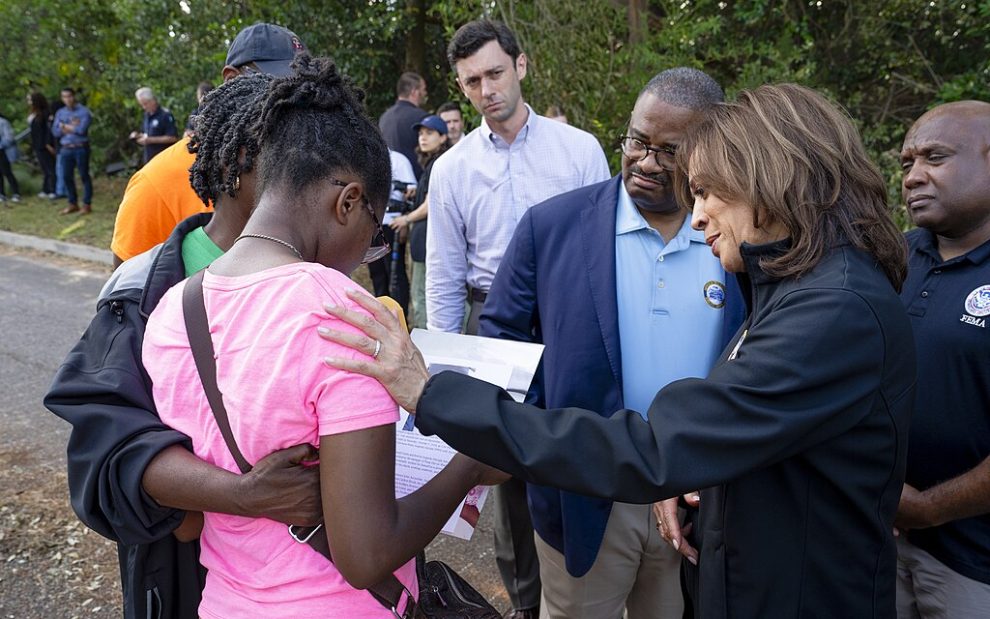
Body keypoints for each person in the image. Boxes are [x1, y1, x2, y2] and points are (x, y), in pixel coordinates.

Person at [321, 83, 917, 619]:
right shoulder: (798, 288)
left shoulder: (833, 310)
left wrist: (431, 393)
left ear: (769, 177)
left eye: (707, 191)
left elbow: (653, 447)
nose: (699, 214)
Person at [142, 54, 504, 618]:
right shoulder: (344, 315)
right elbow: (366, 556)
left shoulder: (173, 310)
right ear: (348, 202)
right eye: (372, 232)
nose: (364, 256)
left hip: (224, 603)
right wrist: (469, 466)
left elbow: (188, 522)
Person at [44, 29, 315, 619]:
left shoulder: (309, 222)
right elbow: (118, 392)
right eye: (272, 86)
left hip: (297, 569)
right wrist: (228, 495)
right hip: (183, 556)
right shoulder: (154, 193)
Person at [474, 67, 743, 619]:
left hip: (699, 496)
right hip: (583, 495)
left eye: (671, 152)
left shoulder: (739, 236)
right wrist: (542, 447)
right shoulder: (551, 228)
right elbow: (500, 342)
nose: (646, 162)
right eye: (638, 142)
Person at [425, 19, 610, 619]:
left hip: (570, 314)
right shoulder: (451, 169)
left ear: (522, 66)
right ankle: (527, 605)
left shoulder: (578, 149)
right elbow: (444, 275)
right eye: (472, 81)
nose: (485, 90)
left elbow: (606, 249)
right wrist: (445, 371)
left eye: (495, 74)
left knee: (577, 439)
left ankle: (593, 578)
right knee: (503, 466)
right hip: (492, 322)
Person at [895, 100, 990, 617]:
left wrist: (929, 509)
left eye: (935, 157)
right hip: (879, 543)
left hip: (973, 567)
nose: (913, 177)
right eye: (907, 163)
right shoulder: (892, 256)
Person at [109, 22, 306, 267]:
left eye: (306, 88)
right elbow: (127, 295)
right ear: (232, 79)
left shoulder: (308, 173)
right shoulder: (156, 183)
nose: (297, 101)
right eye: (281, 86)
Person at [390, 114, 452, 330]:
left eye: (430, 133)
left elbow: (430, 204)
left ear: (443, 137)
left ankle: (427, 349)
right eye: (421, 134)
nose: (423, 138)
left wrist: (405, 219)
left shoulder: (439, 164)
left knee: (422, 297)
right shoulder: (432, 165)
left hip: (429, 244)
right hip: (423, 243)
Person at [379, 71, 429, 178]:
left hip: (390, 183)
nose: (425, 93)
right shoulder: (421, 118)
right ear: (414, 92)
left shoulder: (384, 118)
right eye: (423, 89)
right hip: (416, 183)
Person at [52, 87, 93, 215]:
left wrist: (64, 126)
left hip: (80, 147)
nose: (67, 99)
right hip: (66, 148)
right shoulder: (60, 112)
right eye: (64, 97)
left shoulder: (84, 111)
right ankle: (72, 203)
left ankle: (86, 204)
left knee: (84, 175)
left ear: (74, 96)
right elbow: (55, 131)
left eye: (69, 96)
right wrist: (71, 126)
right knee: (66, 176)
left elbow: (81, 130)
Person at [132, 87, 179, 164]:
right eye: (142, 105)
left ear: (153, 100)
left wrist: (150, 140)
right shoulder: (147, 115)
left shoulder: (165, 115)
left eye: (145, 104)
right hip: (150, 160)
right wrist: (138, 136)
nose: (144, 107)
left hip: (164, 160)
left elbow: (173, 137)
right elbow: (147, 134)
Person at [27, 92, 56, 198]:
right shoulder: (34, 113)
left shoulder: (45, 113)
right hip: (37, 144)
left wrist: (48, 143)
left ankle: (53, 189)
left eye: (30, 100)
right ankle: (46, 188)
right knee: (44, 168)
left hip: (44, 144)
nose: (29, 102)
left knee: (50, 168)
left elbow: (48, 130)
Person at [0, 112, 20, 204]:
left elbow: (9, 138)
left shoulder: (3, 122)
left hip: (3, 151)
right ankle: (1, 194)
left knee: (7, 172)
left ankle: (16, 193)